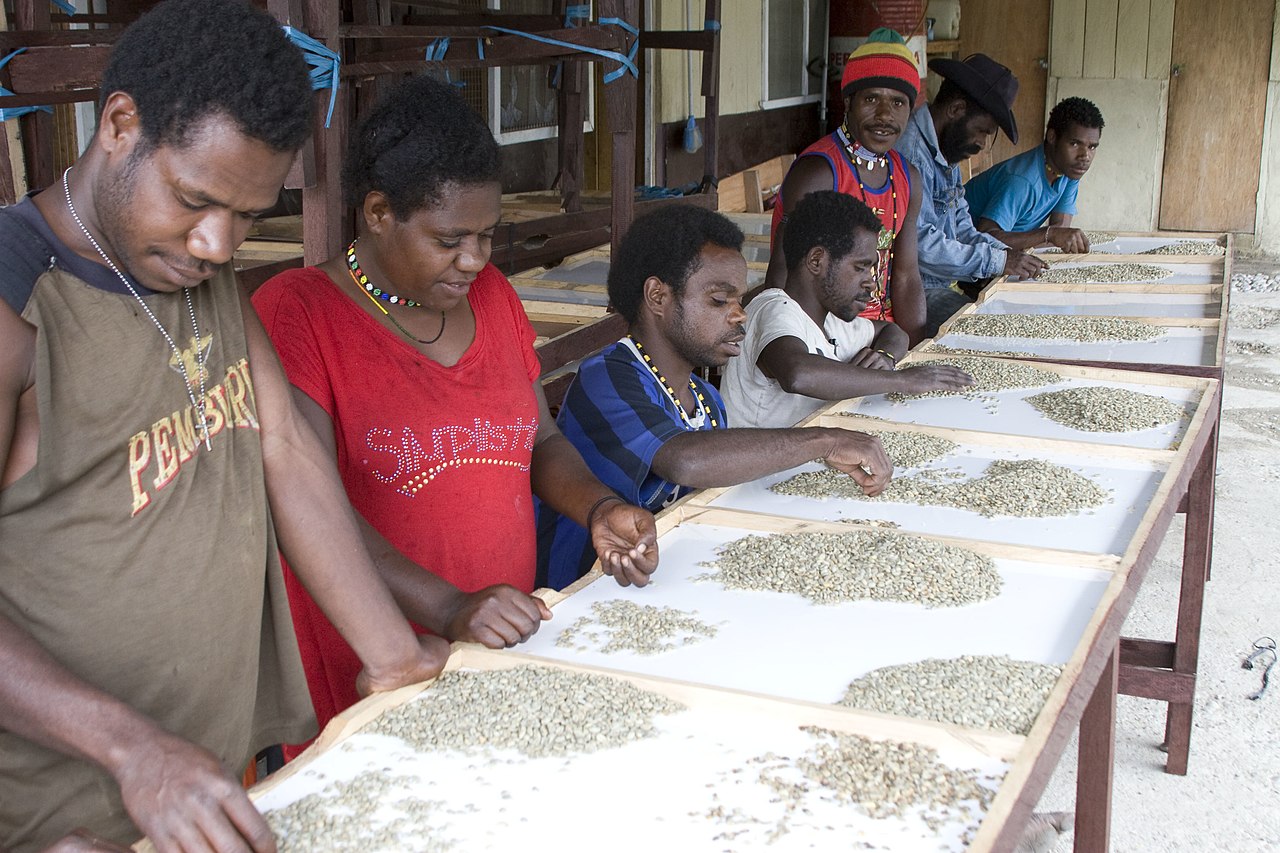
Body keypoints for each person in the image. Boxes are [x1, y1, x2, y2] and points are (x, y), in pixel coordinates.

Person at [0, 2, 449, 851]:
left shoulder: (195, 274)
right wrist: (134, 751)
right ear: (120, 125)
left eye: (248, 215)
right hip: (62, 815)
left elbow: (284, 447)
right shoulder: (19, 302)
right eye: (194, 199)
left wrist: (392, 654)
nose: (215, 242)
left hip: (209, 782)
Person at [252, 75, 660, 741]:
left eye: (486, 236)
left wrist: (598, 508)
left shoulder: (493, 296)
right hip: (374, 665)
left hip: (497, 640)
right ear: (378, 213)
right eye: (449, 240)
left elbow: (540, 441)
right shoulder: (299, 313)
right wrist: (448, 606)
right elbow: (309, 503)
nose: (473, 260)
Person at [535, 205, 893, 588]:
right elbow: (684, 460)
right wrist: (824, 441)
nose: (740, 315)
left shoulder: (707, 399)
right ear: (658, 297)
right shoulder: (609, 376)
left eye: (739, 300)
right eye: (720, 300)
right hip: (585, 588)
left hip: (667, 578)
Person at [722, 192, 972, 430]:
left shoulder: (830, 322)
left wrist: (885, 356)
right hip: (761, 460)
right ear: (817, 261)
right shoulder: (773, 307)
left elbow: (892, 331)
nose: (870, 282)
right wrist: (904, 380)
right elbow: (798, 374)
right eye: (860, 268)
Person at [763, 28, 928, 343]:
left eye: (898, 102)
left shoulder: (908, 177)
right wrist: (814, 351)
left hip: (884, 336)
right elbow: (784, 278)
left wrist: (915, 350)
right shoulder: (819, 173)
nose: (884, 115)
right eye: (871, 99)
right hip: (825, 337)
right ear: (849, 102)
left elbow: (907, 277)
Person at [894, 53, 1048, 337]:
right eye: (981, 131)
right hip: (911, 291)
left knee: (1022, 314)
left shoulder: (945, 151)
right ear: (956, 109)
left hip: (939, 283)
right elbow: (921, 245)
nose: (981, 143)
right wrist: (996, 261)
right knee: (992, 333)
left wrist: (1004, 254)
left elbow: (962, 227)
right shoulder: (911, 153)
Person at [964, 97, 1105, 253]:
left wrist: (1053, 235)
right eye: (1075, 144)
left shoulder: (1068, 171)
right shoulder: (1022, 181)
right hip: (960, 251)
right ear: (1052, 137)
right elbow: (987, 238)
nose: (1085, 156)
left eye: (1092, 147)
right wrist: (1049, 234)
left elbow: (1061, 230)